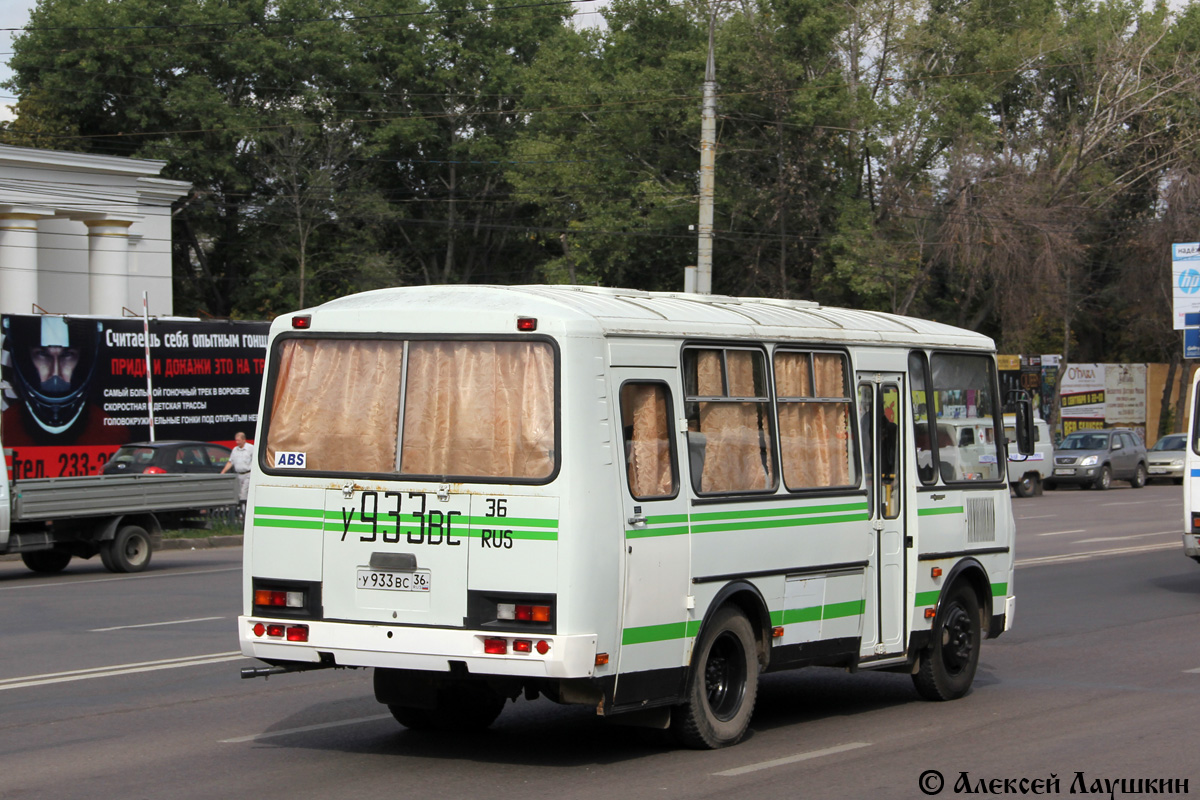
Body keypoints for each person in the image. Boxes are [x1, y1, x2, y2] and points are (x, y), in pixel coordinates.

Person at [221, 431, 255, 518]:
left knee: (244, 493)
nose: (237, 442)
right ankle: (243, 512)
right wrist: (223, 472)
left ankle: (243, 515)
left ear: (244, 440)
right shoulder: (235, 450)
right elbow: (230, 462)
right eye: (236, 440)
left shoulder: (251, 448)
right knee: (239, 494)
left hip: (248, 474)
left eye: (239, 440)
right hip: (238, 475)